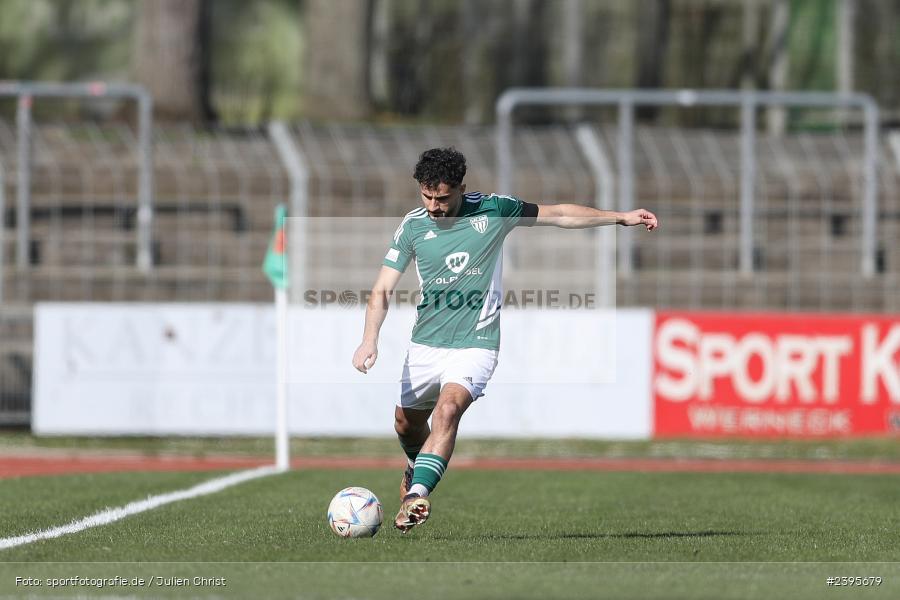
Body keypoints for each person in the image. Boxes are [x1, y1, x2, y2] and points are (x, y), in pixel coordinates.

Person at [351, 147, 658, 533]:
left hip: (476, 343)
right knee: (405, 424)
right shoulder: (412, 226)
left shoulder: (494, 210)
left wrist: (620, 217)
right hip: (426, 344)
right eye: (426, 197)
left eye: (442, 198)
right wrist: (369, 340)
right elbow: (382, 288)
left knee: (447, 411)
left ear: (461, 188)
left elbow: (558, 214)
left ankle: (416, 496)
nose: (433, 206)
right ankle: (416, 465)